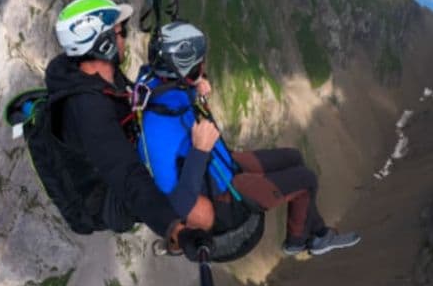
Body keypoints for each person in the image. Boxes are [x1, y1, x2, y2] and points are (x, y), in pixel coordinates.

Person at [137, 21, 361, 256]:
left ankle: (313, 233)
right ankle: (300, 241)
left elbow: (177, 106)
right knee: (306, 180)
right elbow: (177, 204)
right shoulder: (156, 134)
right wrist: (199, 151)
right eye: (198, 66)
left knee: (293, 157)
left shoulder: (159, 87)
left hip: (220, 167)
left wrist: (195, 91)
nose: (203, 68)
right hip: (224, 199)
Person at [45, 0, 193, 252]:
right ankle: (200, 229)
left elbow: (134, 98)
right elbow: (125, 175)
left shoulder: (103, 76)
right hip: (106, 200)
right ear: (102, 44)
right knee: (178, 182)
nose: (125, 36)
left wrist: (189, 85)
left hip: (119, 160)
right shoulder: (88, 108)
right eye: (119, 31)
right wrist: (174, 228)